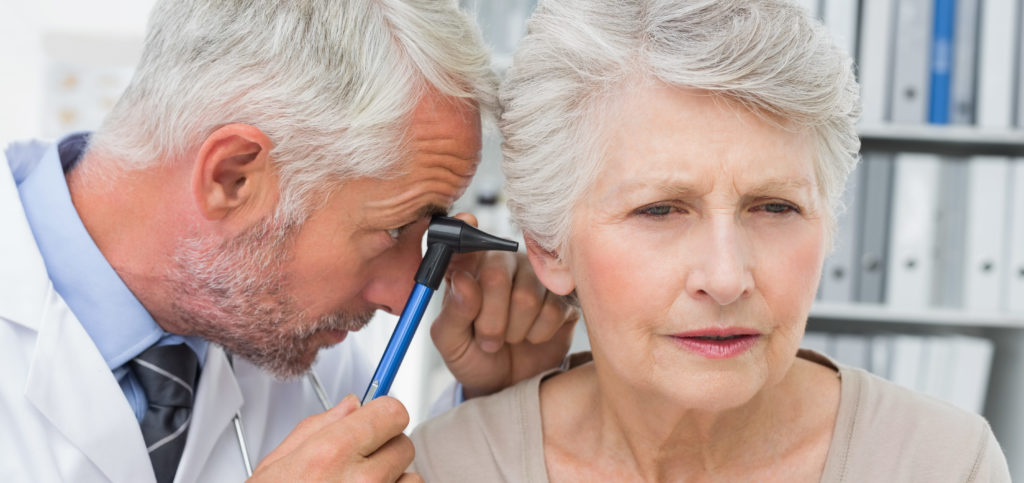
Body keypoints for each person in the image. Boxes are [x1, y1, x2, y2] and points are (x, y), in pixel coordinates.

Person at [410, 0, 1012, 481]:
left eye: (776, 206)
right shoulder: (443, 468)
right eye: (660, 210)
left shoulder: (945, 463)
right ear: (546, 245)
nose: (726, 278)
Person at [0, 1, 579, 481]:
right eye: (395, 230)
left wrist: (496, 410)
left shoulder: (293, 347)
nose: (405, 298)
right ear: (233, 177)